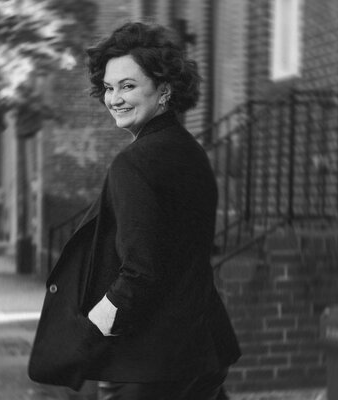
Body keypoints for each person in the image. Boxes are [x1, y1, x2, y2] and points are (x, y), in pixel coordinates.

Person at [30, 21, 240, 400]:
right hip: (201, 349)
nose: (114, 99)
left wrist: (90, 332)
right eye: (109, 88)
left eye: (128, 86)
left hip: (149, 365)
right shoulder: (190, 153)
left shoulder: (135, 163)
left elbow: (141, 273)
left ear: (164, 90)